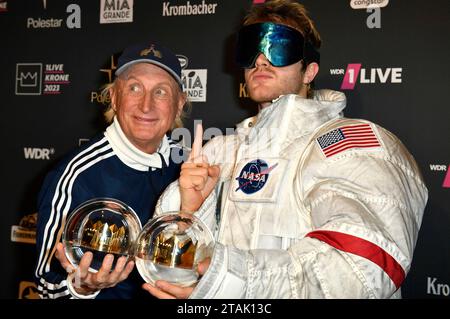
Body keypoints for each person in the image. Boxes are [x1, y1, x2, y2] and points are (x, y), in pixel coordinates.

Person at [144, 0, 428, 299]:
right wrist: (187, 213)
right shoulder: (219, 152)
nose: (261, 61)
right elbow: (164, 265)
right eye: (250, 49)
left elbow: (360, 271)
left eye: (279, 48)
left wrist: (229, 283)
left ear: (309, 71)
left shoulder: (352, 144)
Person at [34, 41, 188, 299]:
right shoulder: (76, 175)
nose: (146, 105)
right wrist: (82, 286)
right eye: (134, 88)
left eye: (161, 92)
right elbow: (45, 287)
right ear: (114, 97)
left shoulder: (187, 171)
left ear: (179, 104)